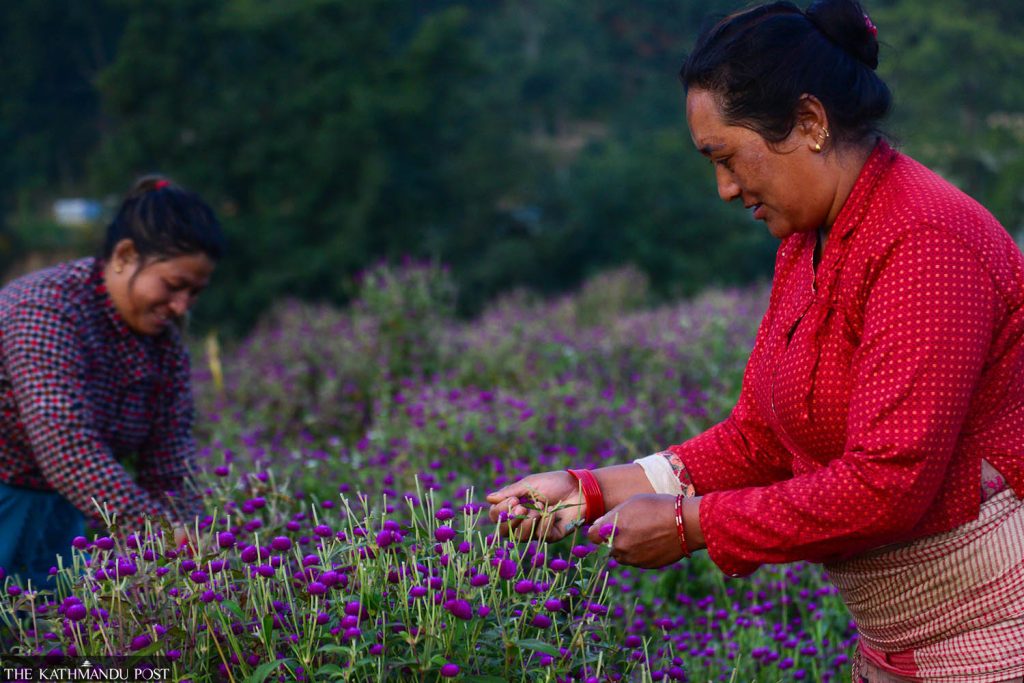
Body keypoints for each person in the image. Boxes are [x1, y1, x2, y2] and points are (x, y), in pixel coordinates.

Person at [487, 0, 1024, 680]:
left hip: (995, 634)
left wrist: (693, 523)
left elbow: (888, 485)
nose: (724, 188)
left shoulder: (924, 243)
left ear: (810, 122)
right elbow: (760, 438)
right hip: (895, 643)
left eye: (728, 158)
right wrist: (590, 490)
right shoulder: (810, 239)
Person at [0, 176, 225, 588]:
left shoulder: (164, 345)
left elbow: (169, 455)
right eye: (174, 286)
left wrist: (190, 534)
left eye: (194, 293)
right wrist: (155, 532)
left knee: (46, 636)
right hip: (9, 496)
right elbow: (65, 444)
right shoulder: (46, 310)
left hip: (66, 510)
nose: (180, 306)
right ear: (124, 256)